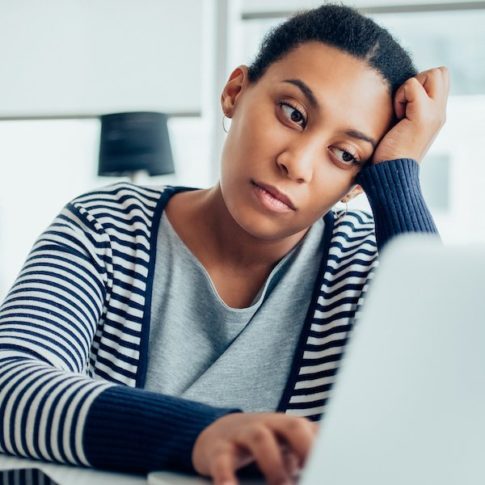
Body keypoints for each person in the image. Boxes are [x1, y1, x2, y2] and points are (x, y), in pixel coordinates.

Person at [0, 4, 448, 485]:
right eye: (293, 113)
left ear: (358, 182)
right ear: (235, 92)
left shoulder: (367, 266)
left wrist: (399, 175)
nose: (296, 163)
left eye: (345, 155)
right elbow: (9, 385)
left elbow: (445, 408)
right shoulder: (104, 226)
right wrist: (202, 435)